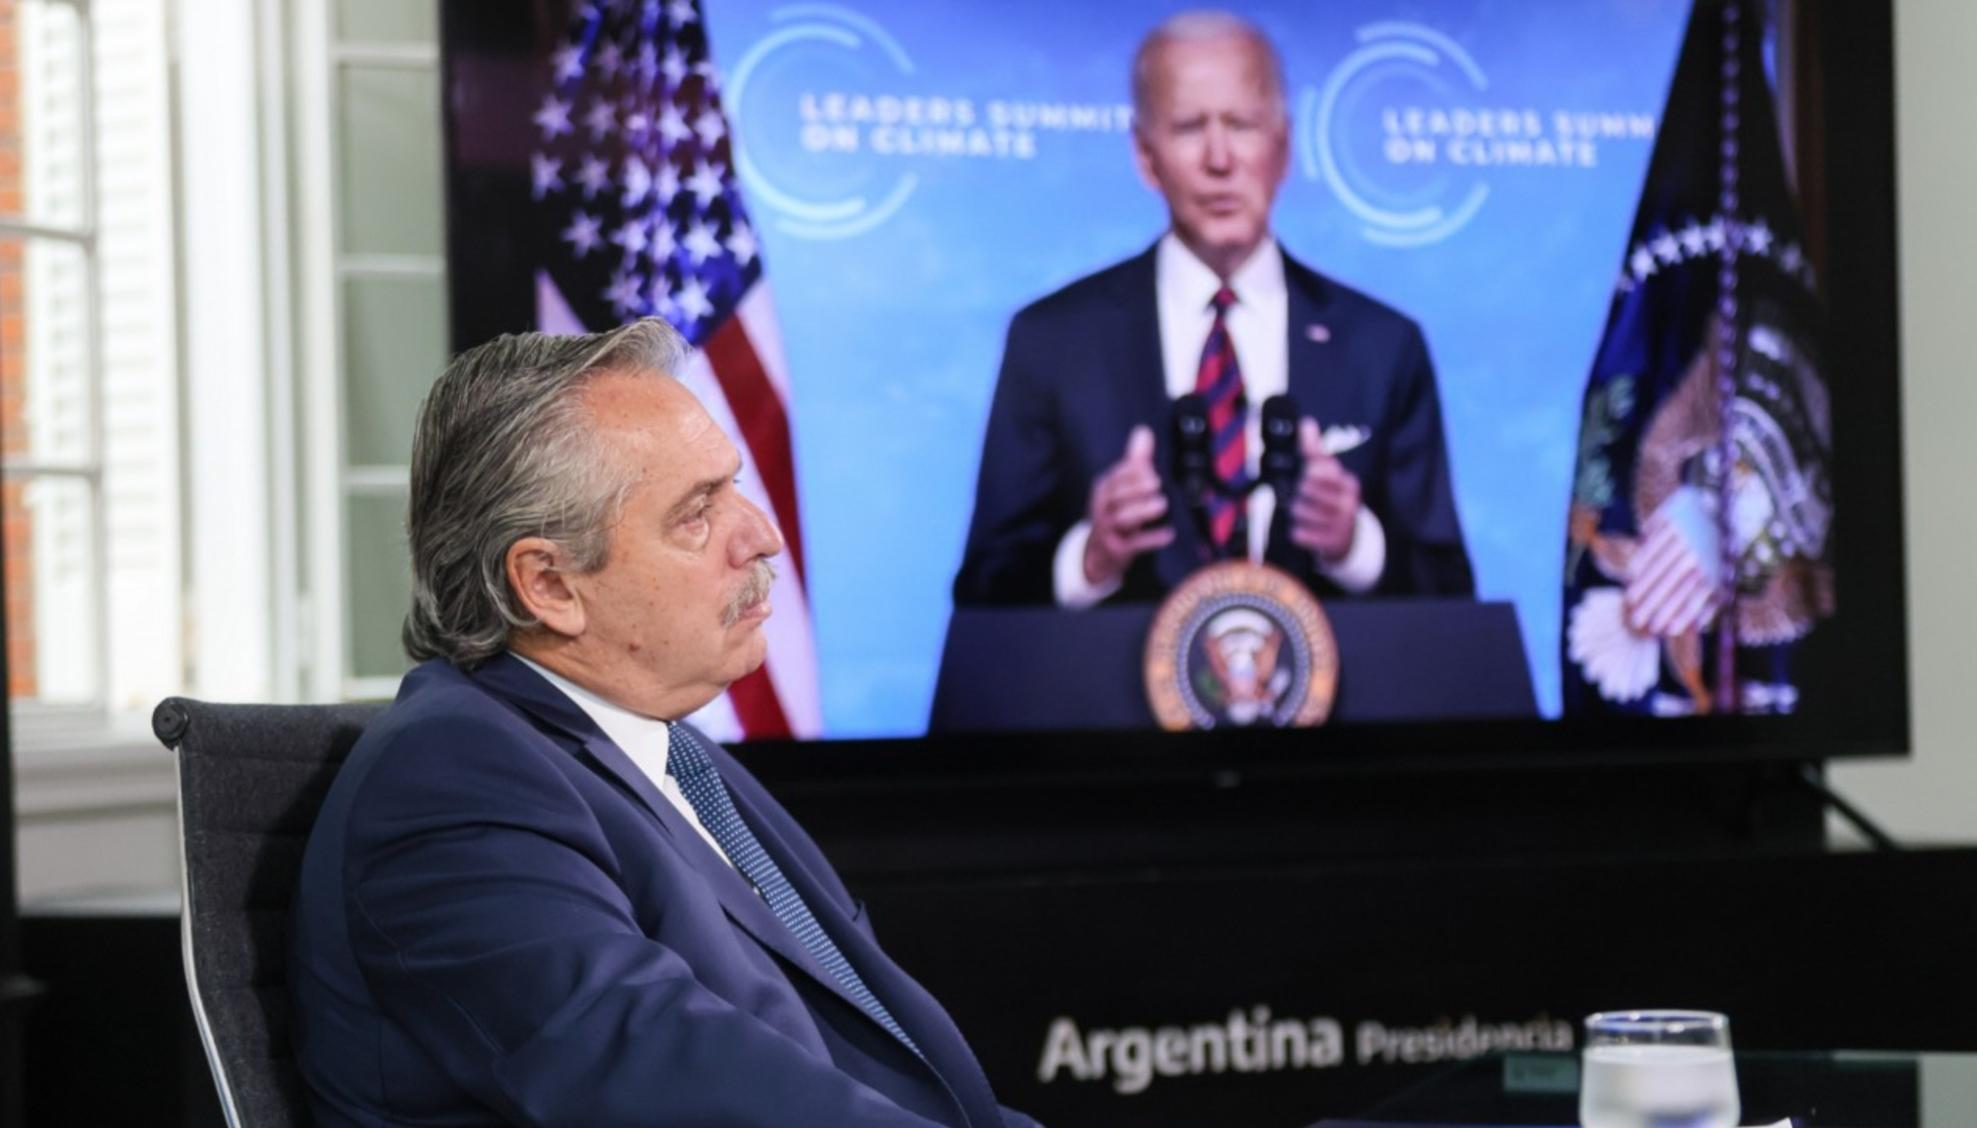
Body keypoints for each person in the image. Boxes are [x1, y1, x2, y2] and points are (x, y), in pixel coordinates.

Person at [291, 320, 1041, 1127]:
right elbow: (675, 1085)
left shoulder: (671, 753)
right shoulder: (450, 783)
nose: (763, 535)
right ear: (548, 585)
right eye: (697, 514)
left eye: (735, 489)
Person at [954, 10, 1474, 607]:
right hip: (1108, 697)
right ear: (1146, 157)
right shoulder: (1053, 341)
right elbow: (983, 598)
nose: (1219, 159)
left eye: (1242, 124)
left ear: (1282, 148)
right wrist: (1094, 557)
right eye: (1189, 127)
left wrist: (1352, 544)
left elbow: (1451, 594)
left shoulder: (1381, 346)